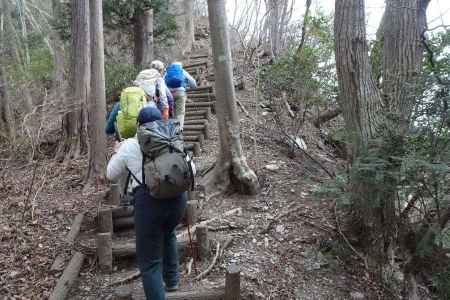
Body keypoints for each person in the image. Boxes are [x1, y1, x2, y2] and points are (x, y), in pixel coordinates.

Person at [106, 106, 187, 300]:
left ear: (137, 125)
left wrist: (117, 151)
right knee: (168, 234)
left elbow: (110, 174)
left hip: (149, 203)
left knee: (149, 262)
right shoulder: (172, 138)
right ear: (161, 121)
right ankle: (173, 280)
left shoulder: (130, 145)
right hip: (177, 199)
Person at [164, 62, 197, 128]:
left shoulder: (167, 72)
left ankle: (170, 130)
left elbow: (163, 82)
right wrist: (188, 87)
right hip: (180, 93)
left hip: (169, 94)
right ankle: (179, 130)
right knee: (180, 112)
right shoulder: (182, 71)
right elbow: (193, 83)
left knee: (171, 111)